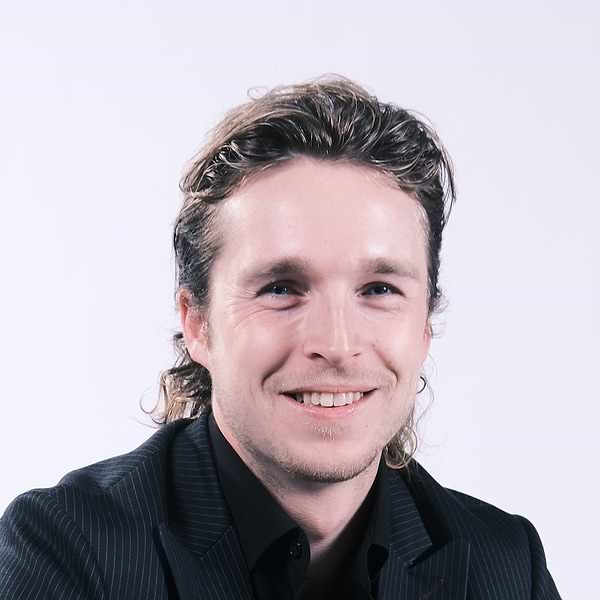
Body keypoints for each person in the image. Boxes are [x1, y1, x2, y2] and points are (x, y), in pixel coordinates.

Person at [0, 76, 562, 600]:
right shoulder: (64, 551)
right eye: (280, 288)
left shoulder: (507, 565)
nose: (337, 344)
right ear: (197, 323)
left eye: (379, 289)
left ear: (424, 327)